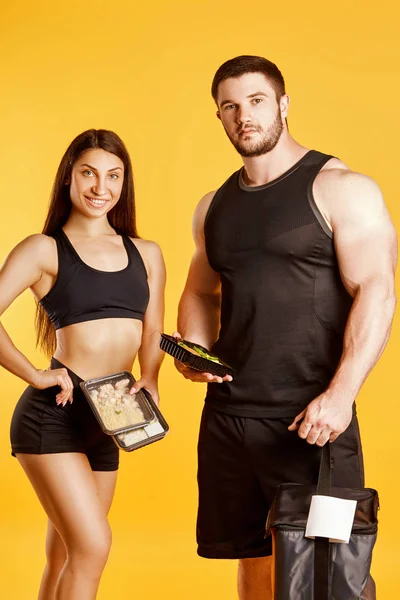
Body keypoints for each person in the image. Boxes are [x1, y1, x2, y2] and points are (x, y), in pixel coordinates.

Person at [174, 55, 397, 600]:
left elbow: (378, 288)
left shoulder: (343, 188)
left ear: (283, 104)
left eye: (255, 101)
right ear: (220, 118)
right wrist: (195, 348)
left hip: (312, 421)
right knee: (253, 564)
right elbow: (200, 291)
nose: (243, 116)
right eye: (229, 107)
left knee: (329, 575)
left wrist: (342, 395)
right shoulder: (214, 206)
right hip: (230, 419)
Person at [2, 129, 166, 599]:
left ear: (124, 183)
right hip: (53, 416)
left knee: (66, 554)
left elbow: (152, 332)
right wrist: (35, 374)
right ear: (68, 179)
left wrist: (152, 378)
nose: (101, 187)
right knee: (93, 548)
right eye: (89, 173)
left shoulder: (147, 253)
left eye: (113, 176)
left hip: (110, 417)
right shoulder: (43, 249)